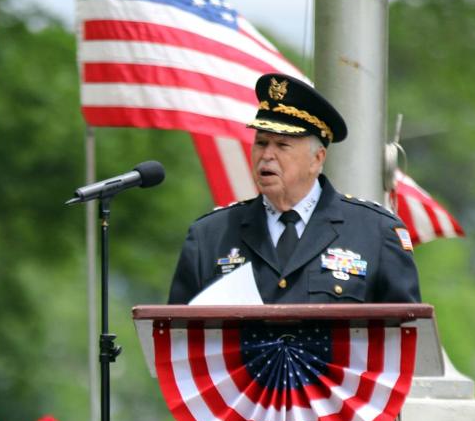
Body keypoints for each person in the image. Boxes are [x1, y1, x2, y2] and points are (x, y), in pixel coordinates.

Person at [168, 73, 421, 305]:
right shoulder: (210, 236)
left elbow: (407, 338)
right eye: (261, 143)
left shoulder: (376, 233)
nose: (266, 155)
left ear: (317, 158)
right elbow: (175, 338)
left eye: (282, 145)